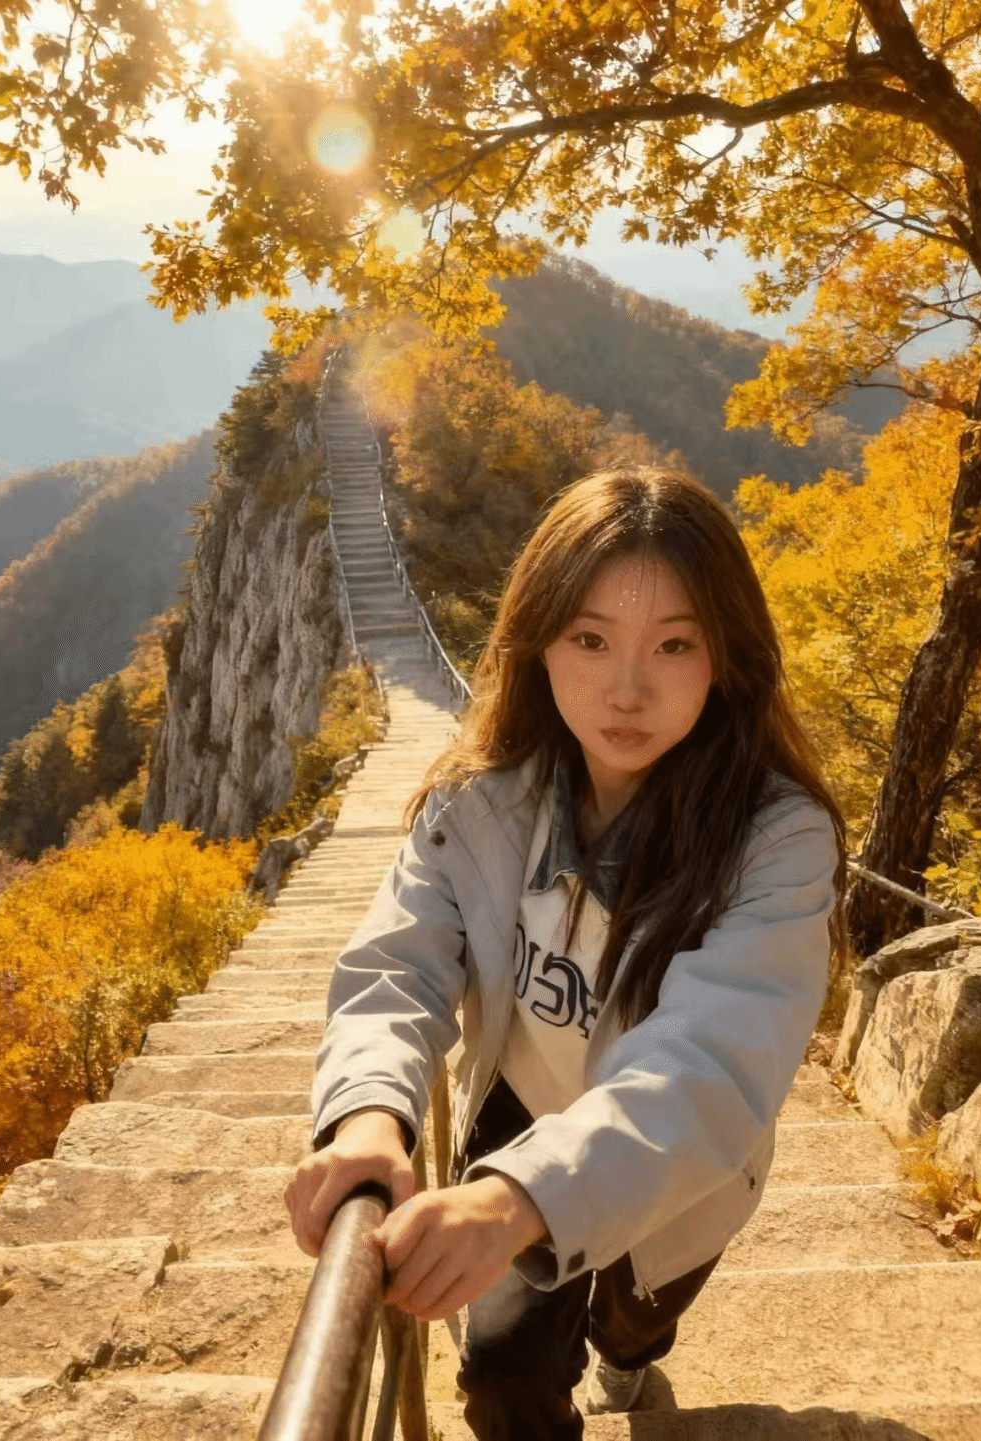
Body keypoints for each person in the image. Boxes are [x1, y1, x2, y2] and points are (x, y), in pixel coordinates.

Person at [284, 465, 846, 1438]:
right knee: (502, 1383)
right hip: (520, 1117)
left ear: (726, 657)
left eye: (675, 644)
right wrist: (370, 1119)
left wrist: (519, 1200)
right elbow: (398, 964)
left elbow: (711, 1061)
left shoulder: (776, 840)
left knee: (634, 1325)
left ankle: (628, 1363)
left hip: (676, 1163)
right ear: (538, 640)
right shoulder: (480, 801)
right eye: (590, 639)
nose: (627, 689)